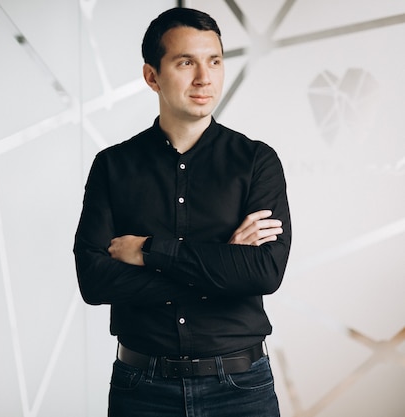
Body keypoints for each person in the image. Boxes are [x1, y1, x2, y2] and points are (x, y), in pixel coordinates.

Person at [73, 7, 292, 417]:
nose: (204, 78)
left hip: (241, 389)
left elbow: (264, 272)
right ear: (151, 76)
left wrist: (151, 253)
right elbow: (94, 280)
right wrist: (220, 263)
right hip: (141, 389)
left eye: (214, 61)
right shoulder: (113, 166)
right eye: (185, 62)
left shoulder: (256, 162)